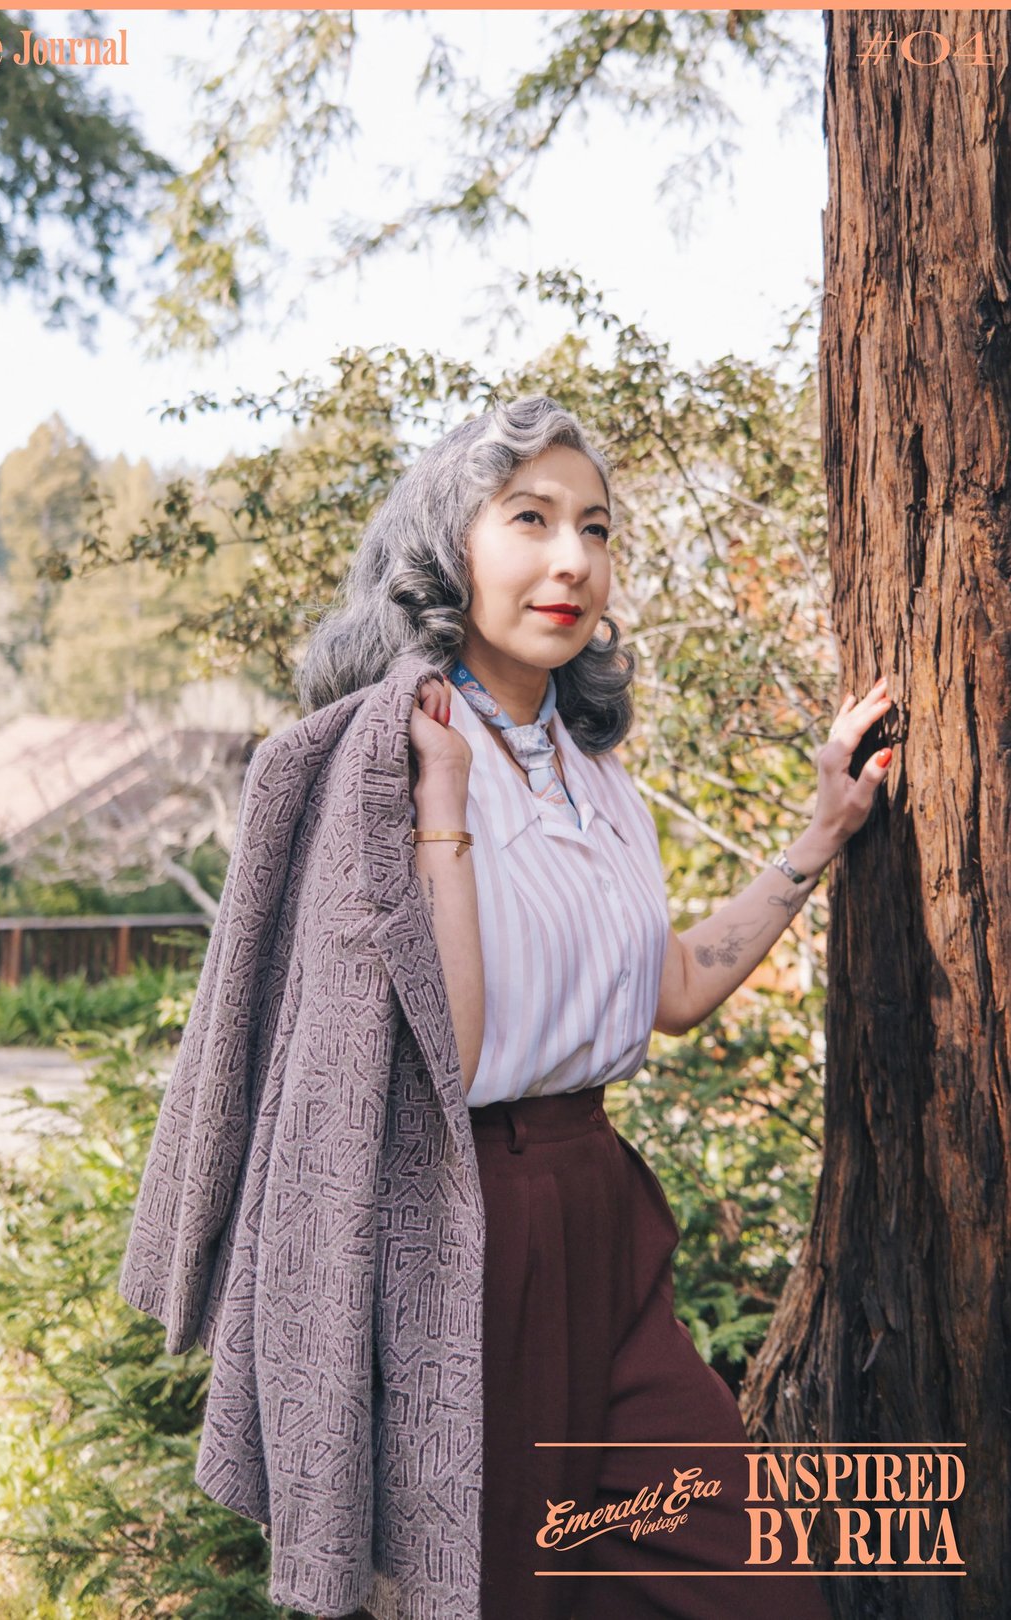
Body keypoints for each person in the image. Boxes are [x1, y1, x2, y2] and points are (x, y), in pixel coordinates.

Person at [295, 394, 893, 1620]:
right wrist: (442, 806)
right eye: (529, 518)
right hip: (463, 1226)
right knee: (500, 1593)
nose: (574, 559)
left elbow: (670, 991)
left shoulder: (591, 767)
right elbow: (441, 1059)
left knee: (754, 1586)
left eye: (596, 527)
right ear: (444, 549)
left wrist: (821, 832)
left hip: (599, 1213)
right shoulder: (387, 754)